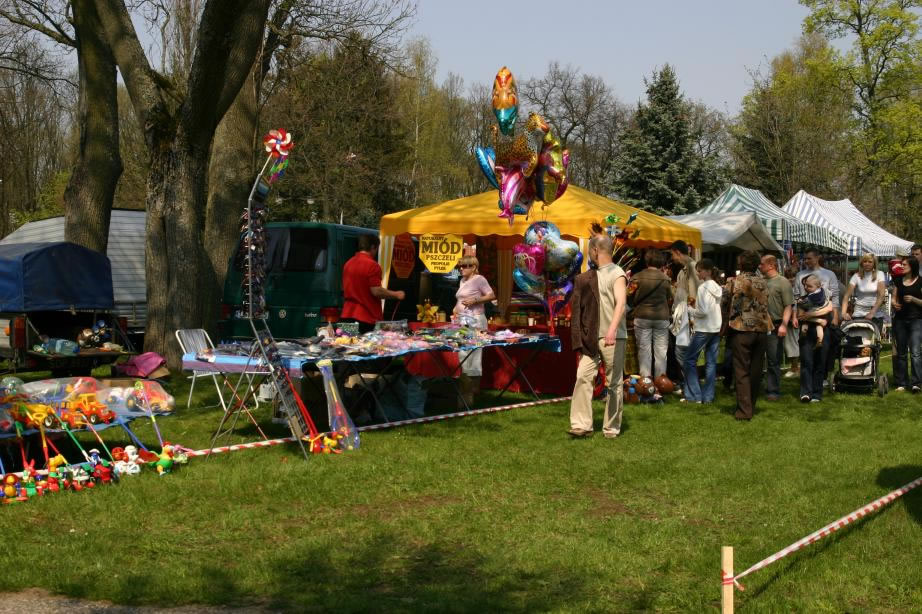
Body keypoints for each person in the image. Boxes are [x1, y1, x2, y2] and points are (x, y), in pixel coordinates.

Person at [568, 234, 628, 439]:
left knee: (614, 383)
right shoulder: (589, 276)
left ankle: (611, 428)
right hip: (591, 338)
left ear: (595, 250)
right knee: (583, 377)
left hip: (613, 337)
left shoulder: (617, 273)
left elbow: (621, 303)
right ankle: (581, 425)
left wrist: (612, 330)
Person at [721, 250, 771, 420]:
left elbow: (724, 303)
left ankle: (744, 411)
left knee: (741, 370)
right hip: (762, 329)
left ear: (741, 263)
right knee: (756, 370)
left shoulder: (734, 282)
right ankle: (751, 406)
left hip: (741, 329)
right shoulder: (764, 282)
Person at [452, 255, 496, 406]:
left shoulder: (480, 279)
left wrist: (475, 300)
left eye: (465, 266)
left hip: (476, 320)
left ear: (473, 267)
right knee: (462, 354)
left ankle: (470, 393)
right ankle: (465, 390)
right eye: (460, 266)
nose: (461, 269)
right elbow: (460, 300)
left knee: (474, 356)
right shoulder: (462, 281)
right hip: (462, 321)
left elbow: (491, 295)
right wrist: (455, 309)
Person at [340, 234, 405, 333]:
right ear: (373, 247)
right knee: (367, 343)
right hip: (366, 318)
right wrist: (396, 294)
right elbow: (376, 291)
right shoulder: (372, 265)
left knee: (348, 342)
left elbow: (344, 287)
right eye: (377, 248)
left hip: (347, 316)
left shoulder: (348, 263)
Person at [681, 259, 722, 404]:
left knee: (689, 360)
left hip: (704, 329)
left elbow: (703, 311)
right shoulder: (717, 286)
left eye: (700, 271)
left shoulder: (703, 287)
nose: (698, 274)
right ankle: (708, 396)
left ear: (708, 271)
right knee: (711, 362)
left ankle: (694, 396)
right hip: (714, 328)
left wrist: (690, 310)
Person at [630, 249, 673, 378]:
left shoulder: (637, 277)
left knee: (644, 351)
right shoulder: (666, 279)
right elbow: (670, 298)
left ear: (647, 260)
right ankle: (661, 382)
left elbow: (628, 295)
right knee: (661, 352)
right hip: (661, 318)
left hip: (642, 317)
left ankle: (646, 383)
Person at [759, 254, 794, 401]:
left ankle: (773, 390)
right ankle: (757, 386)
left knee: (773, 359)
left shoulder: (783, 282)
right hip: (760, 325)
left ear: (771, 265)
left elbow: (788, 306)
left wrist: (784, 325)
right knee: (758, 358)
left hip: (775, 325)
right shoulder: (760, 281)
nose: (759, 266)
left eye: (762, 264)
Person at [669, 240, 699, 394]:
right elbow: (681, 293)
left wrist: (692, 319)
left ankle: (690, 386)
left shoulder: (693, 268)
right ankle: (688, 385)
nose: (672, 258)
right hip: (683, 318)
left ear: (678, 252)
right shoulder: (684, 270)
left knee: (683, 353)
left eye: (672, 254)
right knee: (683, 353)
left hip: (688, 319)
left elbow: (694, 295)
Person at [892, 255, 922, 393]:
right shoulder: (898, 280)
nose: (901, 266)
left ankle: (916, 383)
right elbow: (894, 297)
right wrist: (894, 304)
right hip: (900, 320)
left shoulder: (920, 281)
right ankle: (902, 383)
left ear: (912, 266)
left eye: (904, 264)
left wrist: (914, 299)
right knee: (901, 353)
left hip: (917, 320)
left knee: (915, 352)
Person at [841, 252, 886, 331]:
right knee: (856, 337)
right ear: (861, 263)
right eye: (865, 261)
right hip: (859, 312)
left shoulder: (880, 274)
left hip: (876, 313)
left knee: (873, 338)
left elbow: (881, 295)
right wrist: (843, 313)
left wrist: (872, 312)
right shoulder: (856, 276)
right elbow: (846, 296)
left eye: (870, 262)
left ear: (874, 264)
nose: (867, 264)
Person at [797, 274, 833, 347]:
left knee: (805, 322)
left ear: (818, 286)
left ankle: (804, 331)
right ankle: (819, 341)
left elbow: (829, 308)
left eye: (809, 286)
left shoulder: (812, 296)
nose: (805, 287)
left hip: (814, 311)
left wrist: (800, 302)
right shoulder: (823, 291)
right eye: (804, 285)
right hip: (821, 316)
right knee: (819, 327)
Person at [782, 265, 801, 378]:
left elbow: (794, 305)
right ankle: (794, 366)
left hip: (795, 320)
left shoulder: (797, 289)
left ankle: (795, 368)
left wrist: (794, 317)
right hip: (788, 319)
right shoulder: (787, 288)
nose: (791, 279)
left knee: (793, 343)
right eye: (788, 277)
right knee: (789, 344)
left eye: (793, 276)